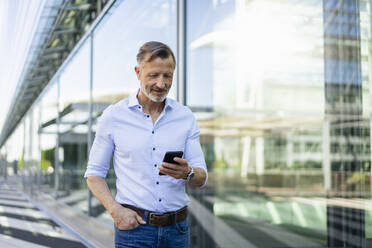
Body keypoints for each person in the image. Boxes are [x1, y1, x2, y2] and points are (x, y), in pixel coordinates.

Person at [84, 41, 208, 248]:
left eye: (168, 76)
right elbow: (94, 174)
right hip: (134, 230)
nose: (161, 84)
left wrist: (187, 173)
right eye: (154, 75)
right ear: (138, 72)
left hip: (178, 231)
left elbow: (202, 177)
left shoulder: (185, 117)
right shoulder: (114, 116)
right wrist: (116, 211)